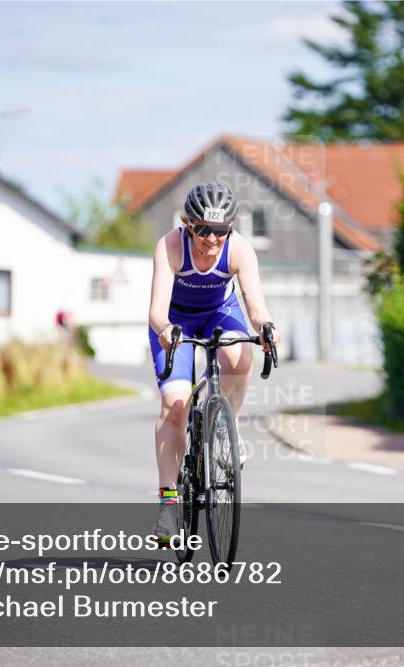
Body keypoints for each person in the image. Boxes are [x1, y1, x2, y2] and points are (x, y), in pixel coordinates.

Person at [147, 182, 280, 544]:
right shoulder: (170, 246)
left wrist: (266, 328)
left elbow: (255, 306)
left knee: (240, 353)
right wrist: (166, 330)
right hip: (175, 321)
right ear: (189, 224)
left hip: (220, 312)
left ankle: (225, 424)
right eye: (204, 229)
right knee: (175, 406)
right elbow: (157, 310)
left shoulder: (239, 249)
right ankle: (169, 505)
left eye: (220, 231)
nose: (212, 239)